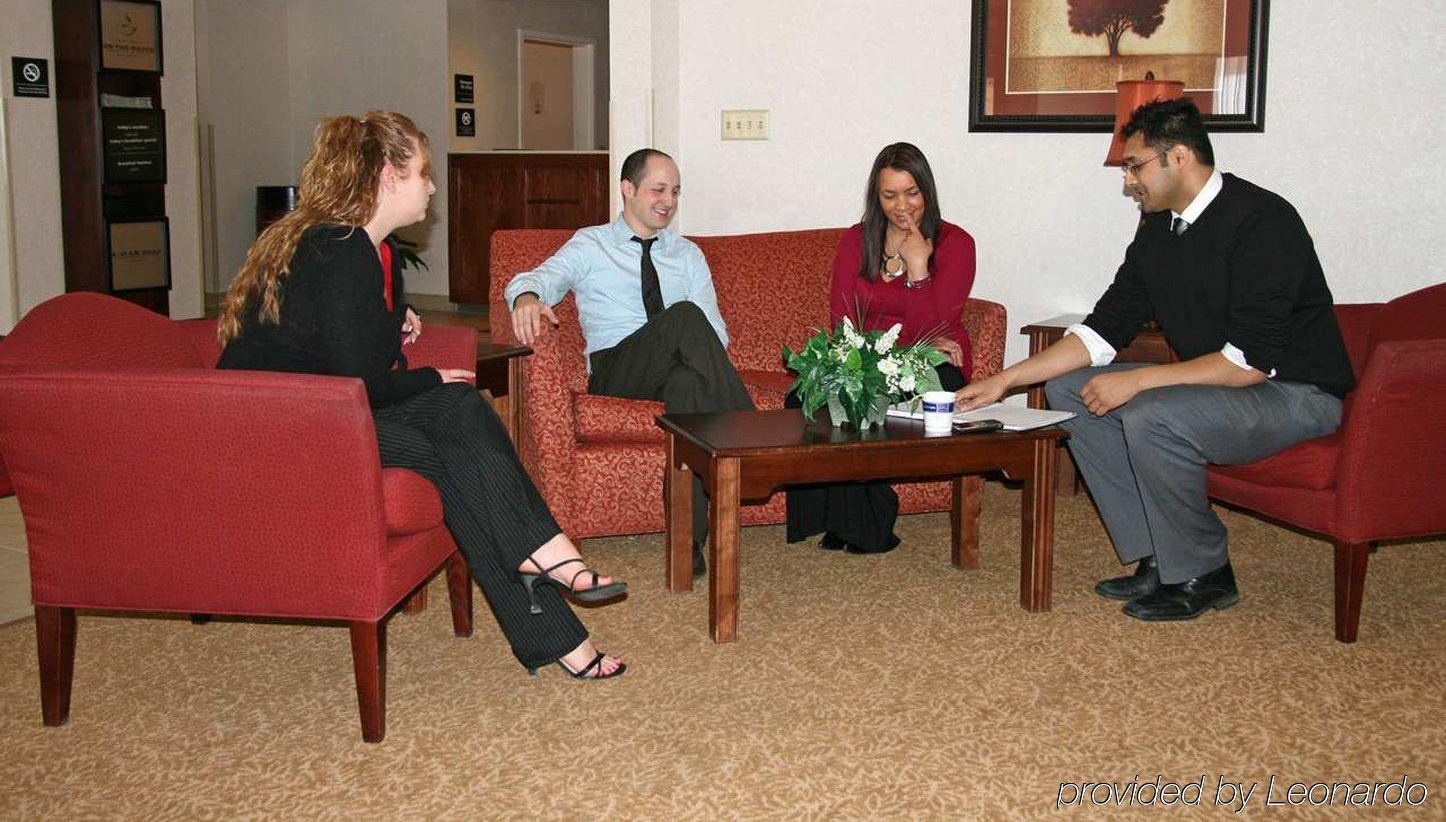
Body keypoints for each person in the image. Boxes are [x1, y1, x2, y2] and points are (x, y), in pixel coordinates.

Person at [217, 112, 626, 680]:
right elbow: (360, 382)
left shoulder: (372, 252)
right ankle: (550, 565)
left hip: (325, 407)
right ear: (388, 175)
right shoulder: (339, 250)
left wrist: (394, 323)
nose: (433, 187)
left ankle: (556, 609)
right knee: (454, 414)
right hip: (278, 422)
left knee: (459, 434)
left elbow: (346, 355)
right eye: (423, 173)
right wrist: (430, 377)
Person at [956, 98, 1354, 622]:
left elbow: (1249, 362)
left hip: (1297, 393)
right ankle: (1158, 556)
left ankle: (1204, 573)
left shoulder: (1263, 221)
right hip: (1227, 387)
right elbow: (1104, 328)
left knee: (1151, 412)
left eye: (1135, 165)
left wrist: (1142, 381)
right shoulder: (1157, 230)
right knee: (1070, 392)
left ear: (1180, 157)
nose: (1128, 181)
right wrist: (1003, 382)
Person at [506, 148, 754, 578]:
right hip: (617, 368)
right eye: (659, 189)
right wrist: (527, 296)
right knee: (683, 316)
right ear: (627, 189)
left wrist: (696, 356)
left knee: (688, 387)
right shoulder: (592, 243)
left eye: (675, 191)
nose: (669, 201)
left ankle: (687, 541)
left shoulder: (687, 254)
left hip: (671, 365)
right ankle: (753, 441)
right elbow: (536, 278)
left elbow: (717, 333)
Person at [786, 142, 977, 554]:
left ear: (928, 190)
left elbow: (938, 328)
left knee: (877, 394)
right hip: (867, 355)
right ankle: (841, 518)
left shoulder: (956, 243)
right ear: (876, 196)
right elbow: (843, 317)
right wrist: (878, 349)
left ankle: (869, 523)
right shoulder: (858, 240)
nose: (901, 206)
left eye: (912, 193)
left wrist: (919, 269)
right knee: (808, 395)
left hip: (932, 364)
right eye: (889, 195)